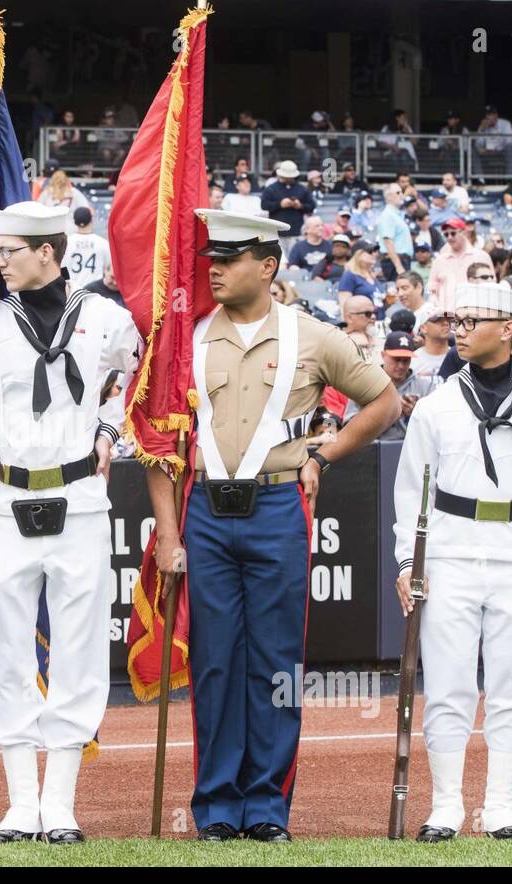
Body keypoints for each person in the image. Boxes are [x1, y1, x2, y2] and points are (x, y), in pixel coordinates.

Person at [151, 210, 398, 843]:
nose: (215, 270)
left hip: (276, 508)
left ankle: (265, 807)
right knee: (214, 664)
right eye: (211, 260)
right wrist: (170, 536)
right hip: (204, 512)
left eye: (228, 261)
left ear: (267, 265)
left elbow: (383, 400)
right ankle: (215, 808)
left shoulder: (311, 336)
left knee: (276, 663)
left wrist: (323, 454)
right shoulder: (189, 337)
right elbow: (159, 441)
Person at [0, 202, 139, 845]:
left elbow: (146, 379)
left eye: (10, 251)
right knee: (7, 650)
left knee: (81, 650)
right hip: (6, 497)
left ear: (49, 252)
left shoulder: (106, 318)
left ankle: (59, 801)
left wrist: (112, 428)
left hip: (80, 497)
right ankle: (18, 805)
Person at [394, 281, 512, 843]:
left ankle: (501, 806)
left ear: (507, 328)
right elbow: (412, 493)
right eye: (457, 320)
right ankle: (446, 807)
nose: (460, 330)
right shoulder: (436, 405)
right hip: (449, 549)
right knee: (449, 684)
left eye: (472, 320)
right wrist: (409, 562)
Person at [342, 330, 434, 439]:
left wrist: (415, 414)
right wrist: (388, 414)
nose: (401, 366)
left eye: (406, 360)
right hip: (374, 450)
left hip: (412, 449)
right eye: (396, 359)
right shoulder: (364, 384)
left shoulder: (425, 386)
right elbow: (349, 428)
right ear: (383, 355)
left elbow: (436, 425)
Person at [427, 216, 492, 310]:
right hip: (447, 315)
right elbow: (432, 287)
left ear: (464, 232)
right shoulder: (439, 260)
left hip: (475, 313)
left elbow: (491, 286)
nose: (449, 237)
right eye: (446, 235)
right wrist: (433, 299)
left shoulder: (481, 256)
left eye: (453, 233)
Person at [259, 160, 314, 247]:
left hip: (296, 232)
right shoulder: (272, 188)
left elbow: (311, 206)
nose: (288, 179)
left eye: (290, 177)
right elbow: (264, 205)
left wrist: (300, 206)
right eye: (286, 176)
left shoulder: (302, 189)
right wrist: (280, 204)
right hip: (277, 233)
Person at [64, 206, 109, 286]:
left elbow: (62, 268)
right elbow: (108, 268)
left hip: (72, 291)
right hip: (96, 292)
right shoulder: (103, 243)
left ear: (75, 222)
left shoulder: (66, 242)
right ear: (91, 220)